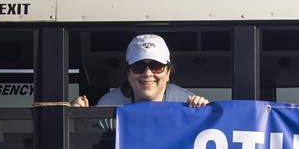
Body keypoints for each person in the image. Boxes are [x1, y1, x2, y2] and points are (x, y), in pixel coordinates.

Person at [71, 34, 209, 108]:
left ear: (168, 73)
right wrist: (75, 117)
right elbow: (88, 147)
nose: (148, 73)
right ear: (128, 74)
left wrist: (204, 111)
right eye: (138, 66)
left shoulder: (186, 103)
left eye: (156, 66)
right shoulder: (109, 104)